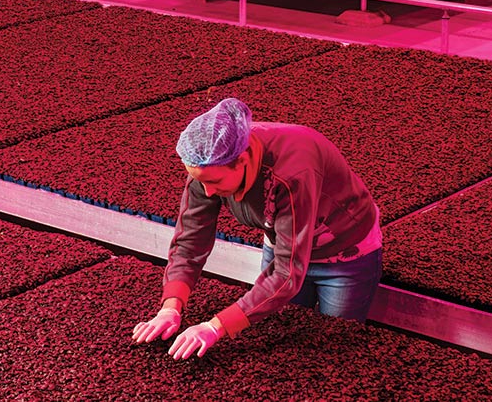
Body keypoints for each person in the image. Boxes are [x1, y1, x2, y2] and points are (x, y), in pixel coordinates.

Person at [132, 98, 382, 360]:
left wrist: (215, 327)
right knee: (282, 338)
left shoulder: (292, 172)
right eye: (199, 181)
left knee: (330, 349)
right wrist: (171, 306)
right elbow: (190, 239)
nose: (208, 192)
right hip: (282, 242)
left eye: (214, 182)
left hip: (343, 255)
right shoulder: (207, 162)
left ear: (242, 160)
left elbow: (286, 275)